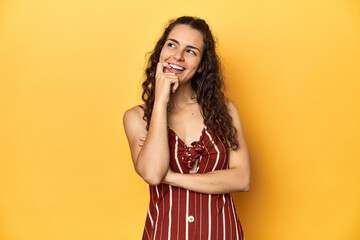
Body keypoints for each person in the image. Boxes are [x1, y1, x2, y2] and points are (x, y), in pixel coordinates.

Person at [123, 16, 251, 240]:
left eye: (191, 51)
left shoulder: (225, 111)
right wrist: (161, 102)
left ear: (201, 65)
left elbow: (242, 179)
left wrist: (172, 177)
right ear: (161, 51)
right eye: (172, 44)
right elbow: (153, 174)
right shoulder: (137, 117)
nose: (178, 56)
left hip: (221, 233)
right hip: (165, 233)